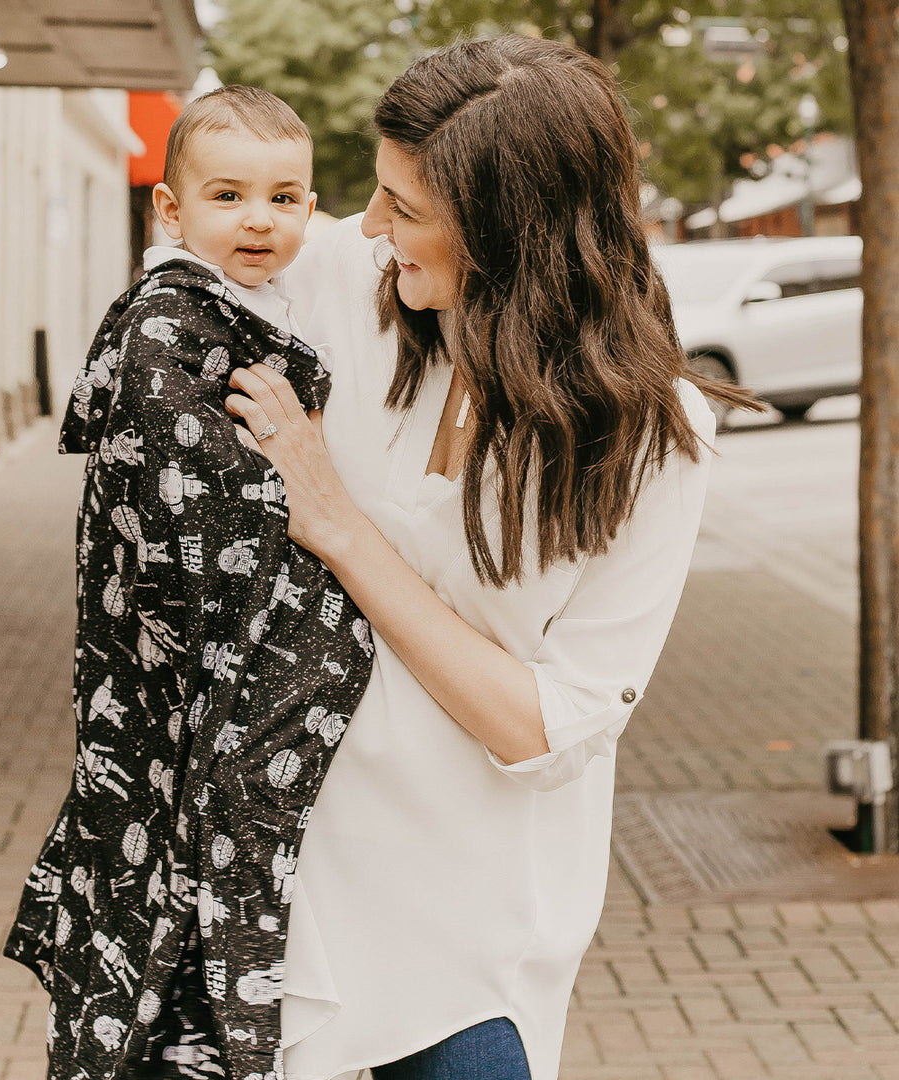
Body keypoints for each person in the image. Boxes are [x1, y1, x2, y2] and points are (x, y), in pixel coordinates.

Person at [223, 36, 751, 1080]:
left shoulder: (649, 440)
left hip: (470, 937)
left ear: (510, 234)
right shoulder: (342, 279)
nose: (370, 227)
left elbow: (545, 729)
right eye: (375, 194)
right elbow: (181, 284)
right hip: (286, 890)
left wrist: (338, 526)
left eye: (404, 209)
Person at [3, 86, 375, 1080]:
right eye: (229, 195)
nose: (261, 219)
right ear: (171, 210)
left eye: (286, 197)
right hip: (186, 657)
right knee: (180, 858)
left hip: (191, 676)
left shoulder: (253, 307)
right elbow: (204, 510)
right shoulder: (172, 327)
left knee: (170, 859)